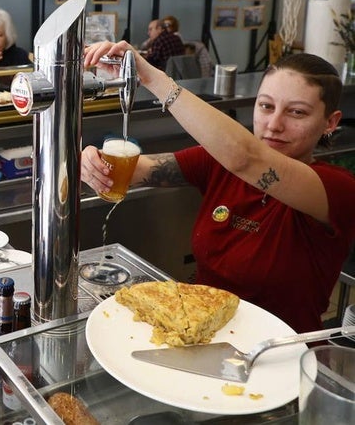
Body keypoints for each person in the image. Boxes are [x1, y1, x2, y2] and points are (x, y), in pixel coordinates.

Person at [82, 41, 355, 335]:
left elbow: (245, 157)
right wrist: (93, 161)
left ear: (330, 122)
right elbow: (137, 170)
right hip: (202, 335)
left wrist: (152, 78)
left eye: (297, 113)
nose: (274, 124)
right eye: (265, 106)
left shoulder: (337, 189)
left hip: (280, 356)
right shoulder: (217, 163)